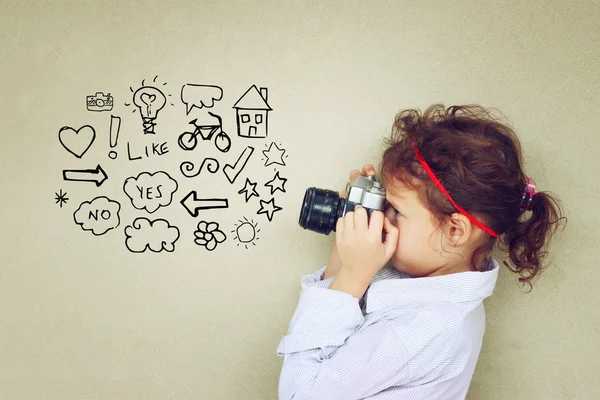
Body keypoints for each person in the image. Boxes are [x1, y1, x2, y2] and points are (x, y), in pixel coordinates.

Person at [276, 104, 566, 399]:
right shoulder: (431, 281)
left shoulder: (419, 331)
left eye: (396, 210)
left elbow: (301, 393)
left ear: (455, 231)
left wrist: (351, 276)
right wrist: (349, 232)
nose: (383, 218)